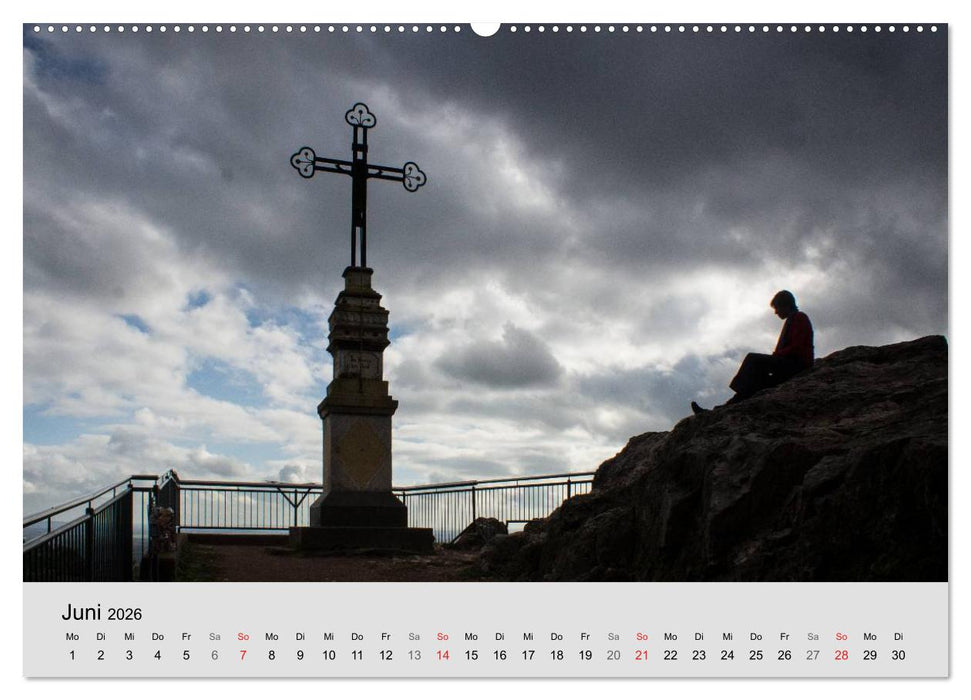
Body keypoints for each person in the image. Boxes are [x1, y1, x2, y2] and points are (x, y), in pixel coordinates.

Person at [691, 290, 814, 414]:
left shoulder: (799, 317)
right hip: (791, 364)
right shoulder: (793, 319)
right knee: (754, 383)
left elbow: (797, 346)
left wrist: (777, 355)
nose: (776, 312)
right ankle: (718, 411)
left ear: (786, 305)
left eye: (777, 308)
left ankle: (738, 388)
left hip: (797, 364)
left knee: (752, 359)